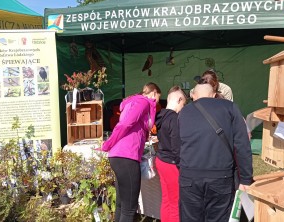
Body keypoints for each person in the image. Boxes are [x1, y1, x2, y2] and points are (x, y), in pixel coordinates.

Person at [178, 81, 253, 222]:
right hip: (220, 177)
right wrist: (246, 179)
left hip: (189, 177)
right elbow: (242, 146)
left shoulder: (184, 111)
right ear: (213, 95)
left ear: (193, 95)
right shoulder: (230, 107)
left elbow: (177, 146)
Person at [102, 82, 161, 222]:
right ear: (153, 94)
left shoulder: (132, 102)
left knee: (122, 205)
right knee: (129, 208)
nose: (156, 103)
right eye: (158, 98)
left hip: (119, 155)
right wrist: (109, 142)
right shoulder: (144, 102)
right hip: (127, 156)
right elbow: (125, 123)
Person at [155, 86, 187, 222]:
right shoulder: (174, 119)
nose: (183, 108)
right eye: (183, 104)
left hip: (161, 160)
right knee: (175, 204)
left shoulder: (160, 115)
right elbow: (177, 147)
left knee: (166, 200)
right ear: (179, 99)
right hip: (171, 164)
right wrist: (182, 166)